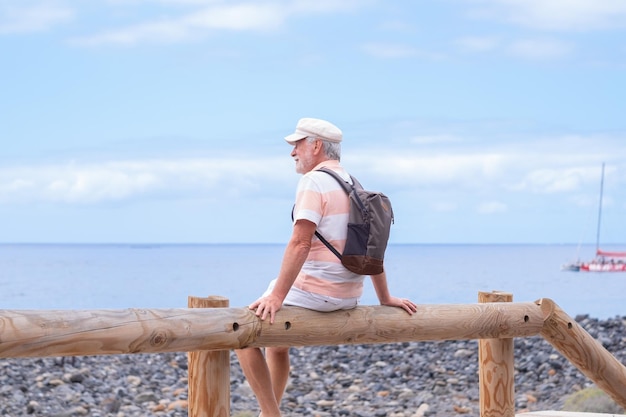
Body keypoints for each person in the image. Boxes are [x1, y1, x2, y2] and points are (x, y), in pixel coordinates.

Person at [235, 117, 417, 417]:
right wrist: (385, 298)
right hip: (348, 295)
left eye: (297, 144)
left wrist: (277, 297)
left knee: (241, 331)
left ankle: (269, 414)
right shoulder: (354, 185)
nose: (293, 152)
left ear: (316, 145)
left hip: (316, 294)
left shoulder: (313, 182)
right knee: (277, 346)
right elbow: (373, 247)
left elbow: (300, 243)